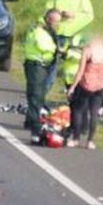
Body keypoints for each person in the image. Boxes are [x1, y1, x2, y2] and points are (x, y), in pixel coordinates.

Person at [44, 0, 93, 91]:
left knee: (73, 64)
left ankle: (74, 88)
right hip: (58, 34)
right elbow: (47, 10)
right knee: (53, 62)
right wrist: (59, 14)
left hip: (74, 36)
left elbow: (89, 16)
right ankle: (46, 87)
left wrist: (73, 15)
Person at [67, 35, 103, 149]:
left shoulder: (87, 51)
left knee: (78, 110)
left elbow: (80, 71)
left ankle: (75, 139)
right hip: (100, 85)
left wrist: (73, 87)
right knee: (94, 113)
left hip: (86, 84)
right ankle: (90, 141)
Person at [24, 9, 61, 143]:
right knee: (35, 96)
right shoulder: (40, 31)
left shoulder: (46, 29)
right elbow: (45, 46)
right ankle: (35, 129)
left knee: (38, 96)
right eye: (57, 22)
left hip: (42, 66)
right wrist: (57, 49)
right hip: (36, 66)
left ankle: (30, 121)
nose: (58, 25)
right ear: (49, 20)